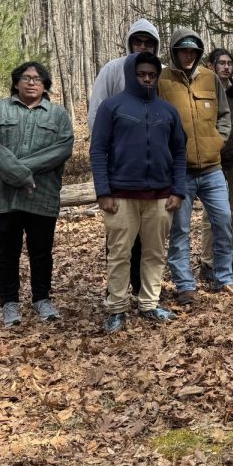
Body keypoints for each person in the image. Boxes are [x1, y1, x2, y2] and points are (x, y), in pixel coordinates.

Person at [90, 52, 188, 332]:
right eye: (141, 74)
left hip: (160, 196)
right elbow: (98, 150)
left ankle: (149, 303)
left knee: (155, 252)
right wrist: (103, 192)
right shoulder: (113, 107)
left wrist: (177, 190)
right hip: (120, 195)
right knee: (120, 253)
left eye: (151, 74)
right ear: (132, 74)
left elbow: (179, 152)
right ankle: (117, 308)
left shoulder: (168, 111)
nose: (146, 78)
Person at [0, 61, 75, 327]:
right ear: (16, 82)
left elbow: (62, 148)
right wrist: (19, 175)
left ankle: (42, 298)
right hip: (3, 199)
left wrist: (21, 171)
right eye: (26, 77)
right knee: (6, 252)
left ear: (45, 85)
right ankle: (9, 303)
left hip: (41, 197)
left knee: (41, 251)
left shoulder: (57, 115)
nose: (32, 82)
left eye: (38, 79)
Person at [157, 28, 233, 304]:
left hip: (212, 168)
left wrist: (218, 141)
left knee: (223, 221)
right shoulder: (162, 81)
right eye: (182, 50)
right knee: (180, 229)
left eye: (192, 50)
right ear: (175, 52)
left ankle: (223, 277)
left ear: (198, 52)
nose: (187, 55)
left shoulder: (209, 78)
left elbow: (224, 115)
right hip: (180, 172)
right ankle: (184, 284)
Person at [88, 19, 161, 297]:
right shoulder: (111, 70)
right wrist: (105, 156)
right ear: (129, 42)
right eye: (137, 42)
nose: (142, 47)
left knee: (149, 238)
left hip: (153, 172)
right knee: (120, 236)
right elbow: (96, 114)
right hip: (119, 167)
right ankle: (115, 291)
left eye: (148, 43)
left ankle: (143, 290)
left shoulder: (159, 72)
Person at [199, 48, 233, 278]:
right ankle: (208, 262)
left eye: (230, 63)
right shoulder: (204, 92)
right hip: (212, 163)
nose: (226, 67)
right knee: (212, 214)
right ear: (212, 66)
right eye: (222, 63)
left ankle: (230, 258)